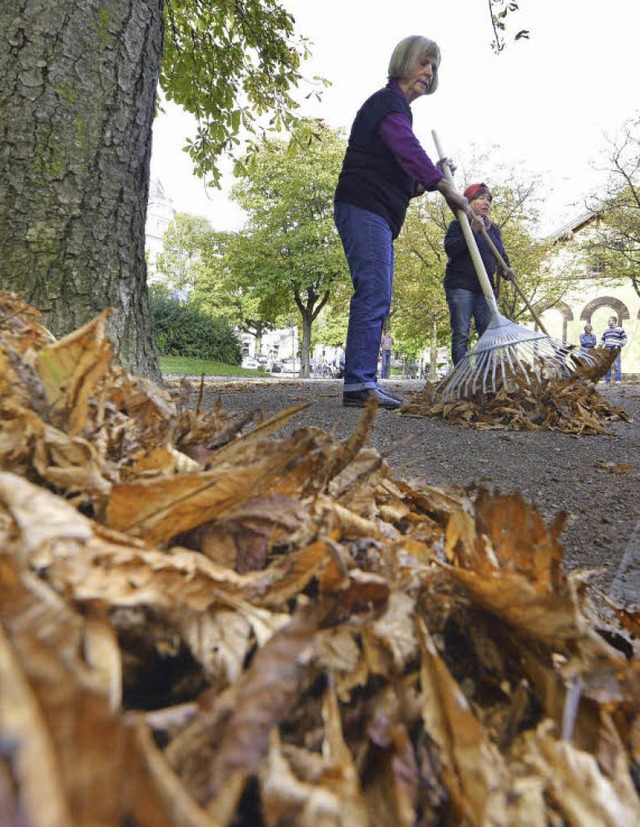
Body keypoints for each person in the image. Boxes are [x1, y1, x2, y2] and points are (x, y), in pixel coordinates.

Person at [334, 35, 474, 410]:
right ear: (404, 61)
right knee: (374, 290)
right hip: (363, 207)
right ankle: (359, 384)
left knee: (379, 291)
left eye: (434, 67)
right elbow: (407, 148)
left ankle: (363, 382)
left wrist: (429, 179)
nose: (428, 72)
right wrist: (443, 185)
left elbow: (404, 179)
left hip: (374, 209)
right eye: (423, 62)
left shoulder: (396, 111)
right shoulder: (388, 105)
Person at [443, 182, 516, 366]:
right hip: (460, 286)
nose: (486, 203)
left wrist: (507, 270)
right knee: (461, 333)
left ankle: (484, 376)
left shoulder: (494, 230)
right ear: (469, 202)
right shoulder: (458, 224)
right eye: (481, 198)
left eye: (488, 200)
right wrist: (472, 231)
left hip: (485, 289)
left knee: (488, 334)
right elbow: (451, 249)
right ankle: (463, 375)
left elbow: (500, 255)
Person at [600, 316, 628, 383]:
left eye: (609, 320)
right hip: (607, 350)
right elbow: (602, 340)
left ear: (614, 321)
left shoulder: (620, 330)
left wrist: (619, 345)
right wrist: (599, 347)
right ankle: (607, 380)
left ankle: (618, 380)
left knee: (616, 364)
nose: (608, 322)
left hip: (615, 350)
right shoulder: (606, 331)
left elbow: (625, 339)